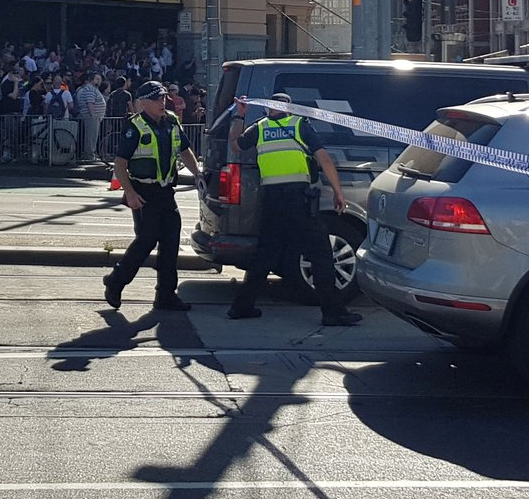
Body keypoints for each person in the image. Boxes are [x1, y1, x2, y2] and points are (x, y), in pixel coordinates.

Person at [228, 93, 357, 325]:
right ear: (289, 108)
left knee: (265, 254)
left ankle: (241, 306)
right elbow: (325, 159)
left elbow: (235, 145)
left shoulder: (260, 128)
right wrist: (338, 191)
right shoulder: (299, 125)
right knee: (320, 252)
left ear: (268, 109)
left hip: (271, 200)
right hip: (298, 199)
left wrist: (239, 115)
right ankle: (332, 311)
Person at [103, 82, 201, 312]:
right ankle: (116, 281)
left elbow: (185, 151)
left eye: (164, 98)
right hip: (143, 193)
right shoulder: (134, 126)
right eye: (157, 99)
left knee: (170, 244)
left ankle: (166, 295)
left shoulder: (171, 121)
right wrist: (130, 194)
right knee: (146, 241)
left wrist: (198, 174)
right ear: (143, 103)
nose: (162, 102)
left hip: (166, 192)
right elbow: (120, 164)